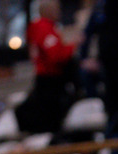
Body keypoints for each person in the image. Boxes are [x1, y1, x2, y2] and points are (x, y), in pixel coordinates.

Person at [17, 0, 77, 134]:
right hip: (49, 79)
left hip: (47, 78)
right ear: (48, 10)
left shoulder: (43, 27)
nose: (59, 13)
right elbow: (55, 56)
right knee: (49, 121)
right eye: (56, 9)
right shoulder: (43, 27)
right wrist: (73, 46)